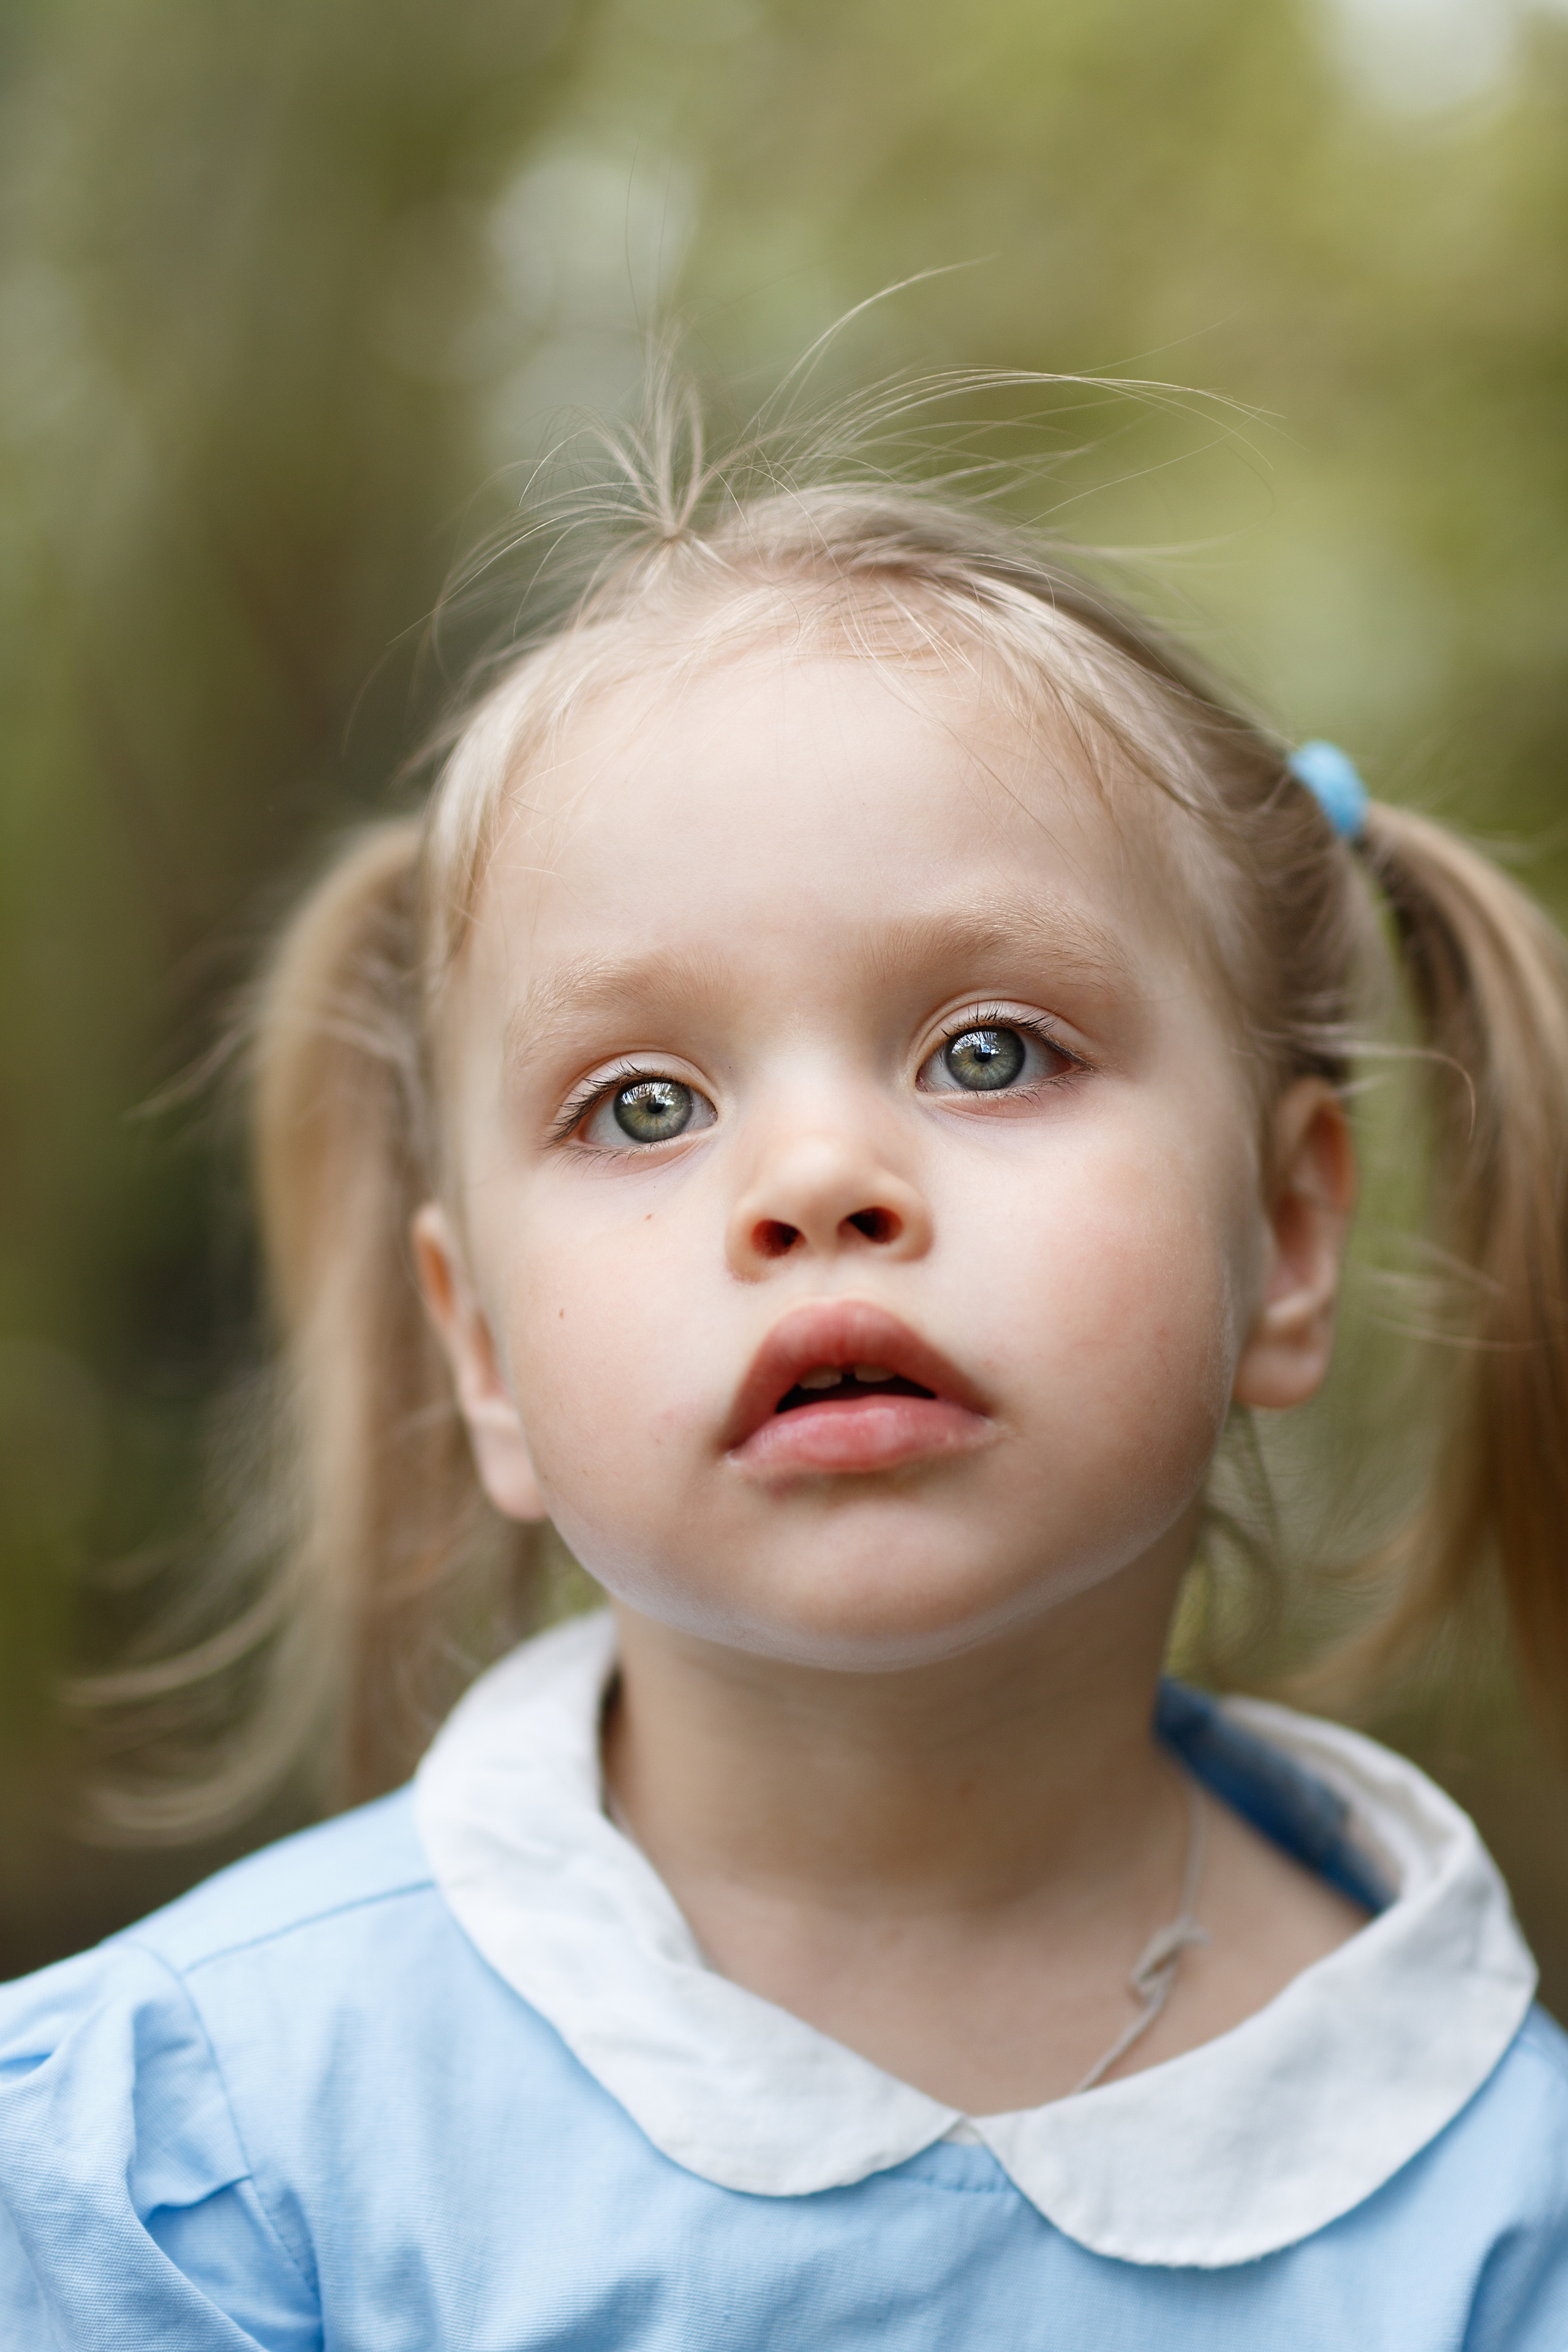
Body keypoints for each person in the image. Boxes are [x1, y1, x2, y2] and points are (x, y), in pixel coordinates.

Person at [4, 374, 1568, 2350]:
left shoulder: (1497, 2208)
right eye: (643, 1103)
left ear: (1289, 1241)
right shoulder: (195, 2169)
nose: (816, 1179)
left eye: (989, 1051)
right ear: (481, 1348)